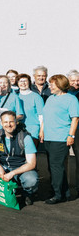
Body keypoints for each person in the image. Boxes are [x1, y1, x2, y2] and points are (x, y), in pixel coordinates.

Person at [0, 111, 38, 205]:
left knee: (32, 180)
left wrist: (12, 173)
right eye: (5, 122)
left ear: (16, 122)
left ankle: (27, 193)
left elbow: (31, 164)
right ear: (1, 123)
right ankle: (2, 189)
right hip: (4, 166)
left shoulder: (25, 137)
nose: (8, 125)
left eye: (11, 122)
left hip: (21, 168)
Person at [39, 75, 79, 204]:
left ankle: (57, 195)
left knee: (56, 166)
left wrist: (71, 135)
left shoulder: (71, 99)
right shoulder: (51, 98)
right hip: (49, 137)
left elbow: (75, 118)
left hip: (60, 137)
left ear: (60, 85)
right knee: (53, 166)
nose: (49, 86)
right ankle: (64, 192)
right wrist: (42, 131)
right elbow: (45, 117)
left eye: (52, 84)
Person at [16, 74, 44, 145]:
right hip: (18, 129)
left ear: (29, 82)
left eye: (25, 81)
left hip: (33, 129)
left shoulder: (36, 97)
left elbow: (42, 116)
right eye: (20, 81)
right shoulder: (15, 96)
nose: (23, 83)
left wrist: (41, 131)